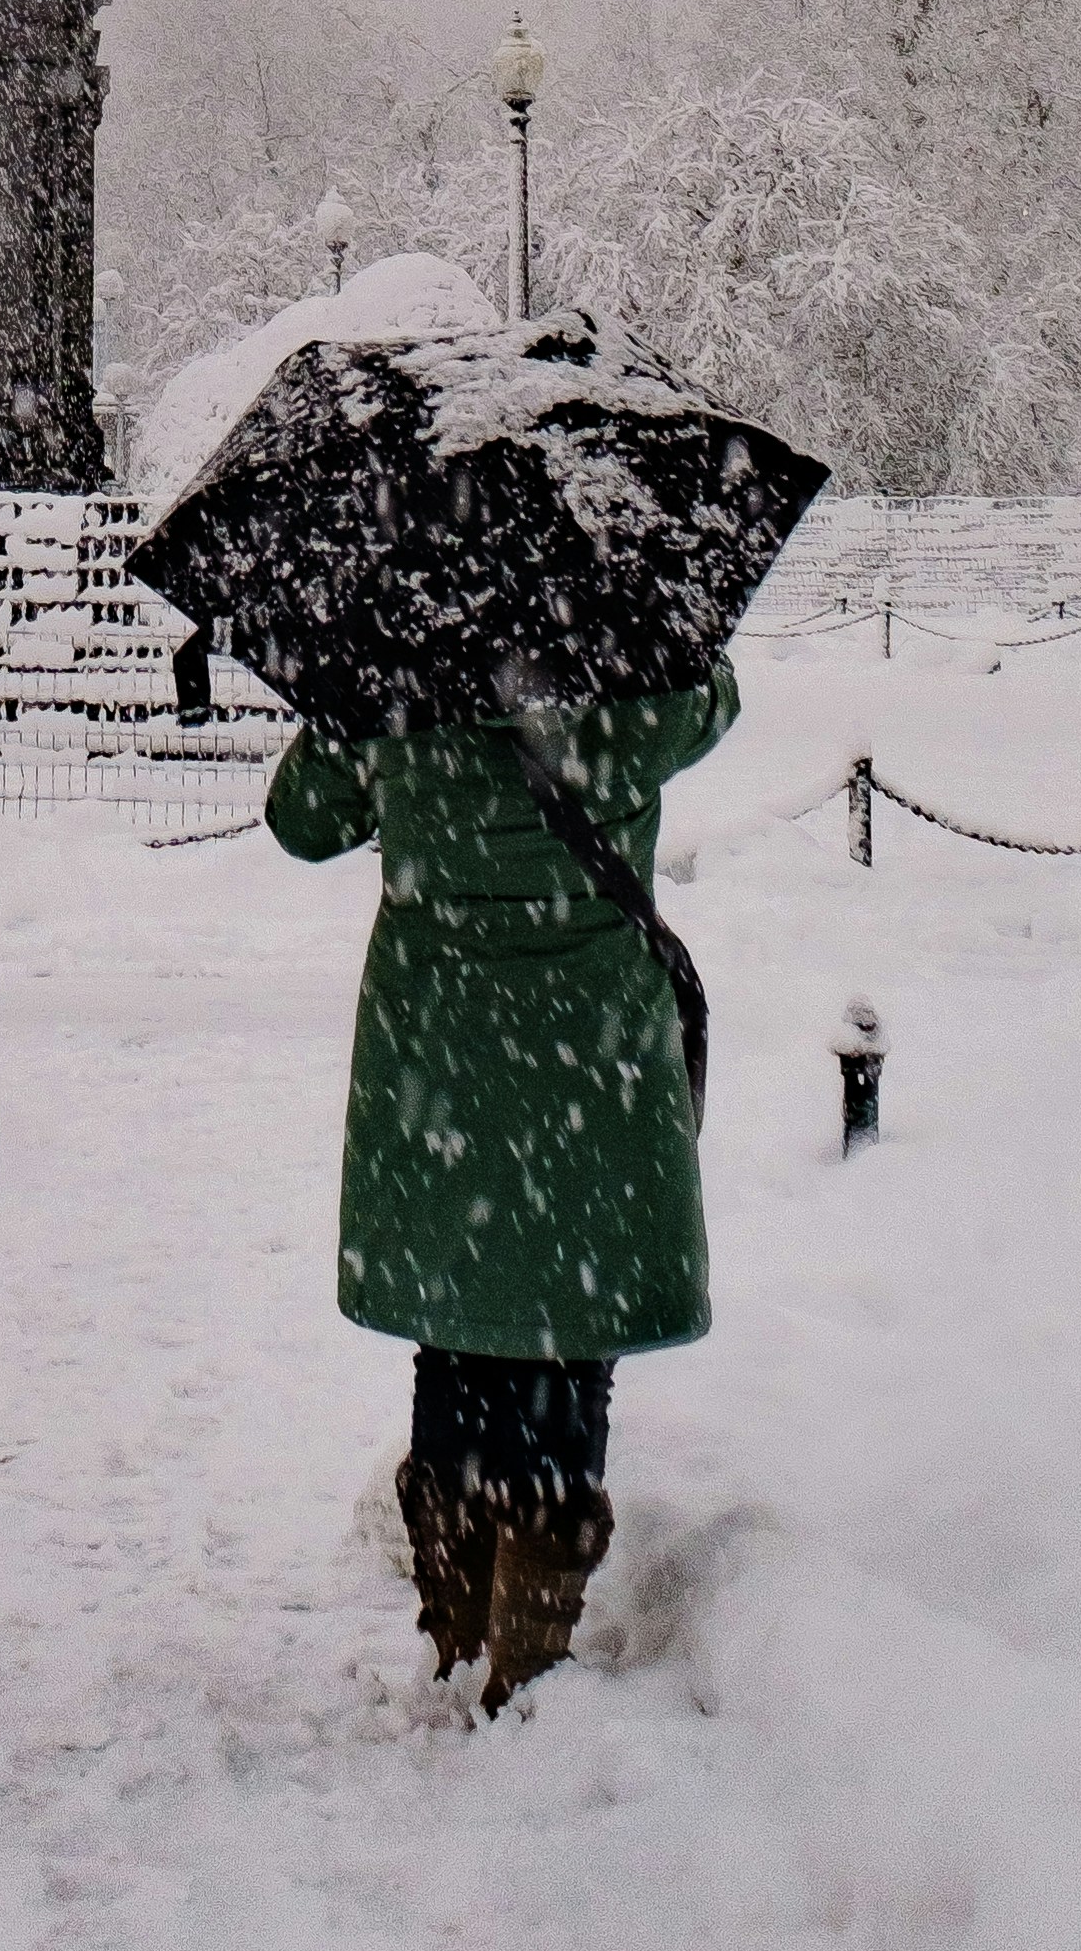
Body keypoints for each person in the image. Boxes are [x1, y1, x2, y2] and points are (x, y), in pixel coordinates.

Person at [264, 660, 740, 1708]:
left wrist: (350, 705)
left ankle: (457, 1634)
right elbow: (712, 701)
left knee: (455, 1331)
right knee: (566, 1341)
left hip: (437, 1052)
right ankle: (527, 1650)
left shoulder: (389, 683)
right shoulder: (625, 690)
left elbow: (300, 821)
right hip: (590, 1053)